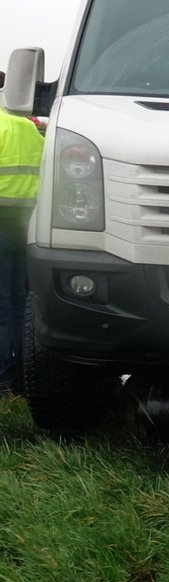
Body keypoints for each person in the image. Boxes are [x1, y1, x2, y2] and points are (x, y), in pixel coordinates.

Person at [0, 71, 46, 393]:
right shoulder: (29, 128)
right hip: (26, 224)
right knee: (18, 301)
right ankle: (18, 375)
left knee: (2, 303)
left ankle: (3, 376)